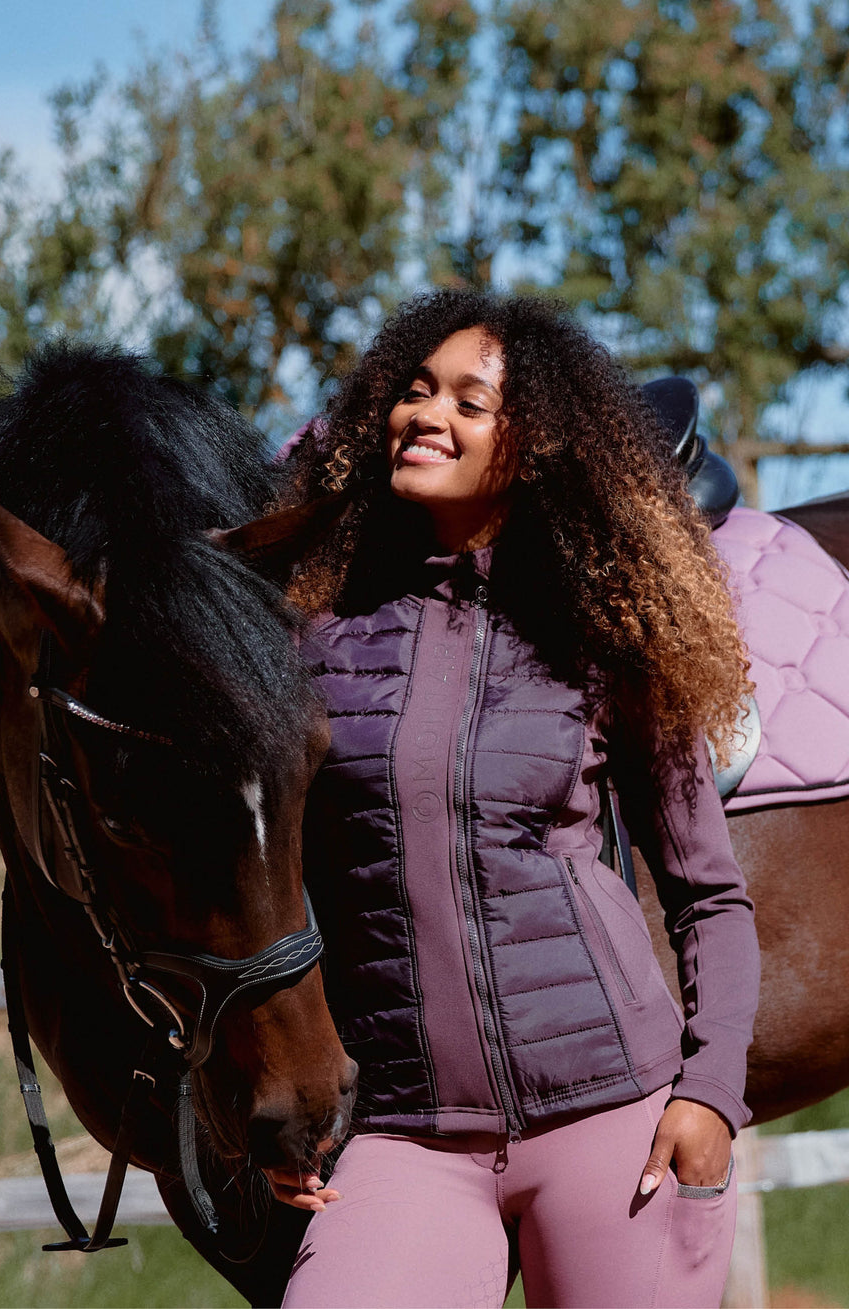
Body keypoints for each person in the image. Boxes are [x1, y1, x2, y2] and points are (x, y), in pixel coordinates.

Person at [265, 290, 760, 1308]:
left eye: (469, 401)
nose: (425, 414)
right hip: (405, 1135)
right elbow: (268, 893)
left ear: (533, 447)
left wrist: (710, 1093)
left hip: (615, 1119)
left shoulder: (603, 633)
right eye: (415, 390)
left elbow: (708, 892)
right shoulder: (316, 632)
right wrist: (284, 1106)